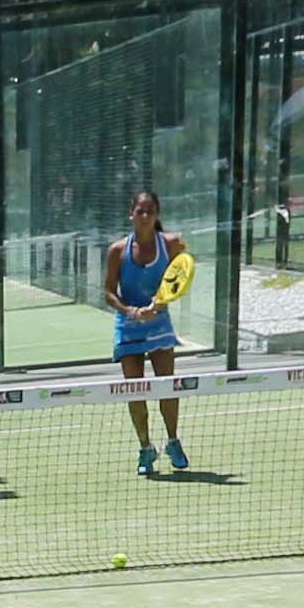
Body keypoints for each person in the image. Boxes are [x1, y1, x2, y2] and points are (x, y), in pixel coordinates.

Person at [104, 188, 193, 479]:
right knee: (135, 391)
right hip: (128, 327)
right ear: (131, 214)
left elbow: (182, 275)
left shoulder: (171, 244)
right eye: (140, 211)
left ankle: (173, 441)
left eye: (150, 211)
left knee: (167, 385)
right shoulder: (117, 250)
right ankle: (145, 447)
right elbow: (108, 292)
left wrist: (160, 303)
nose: (144, 216)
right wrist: (131, 311)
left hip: (159, 325)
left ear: (157, 215)